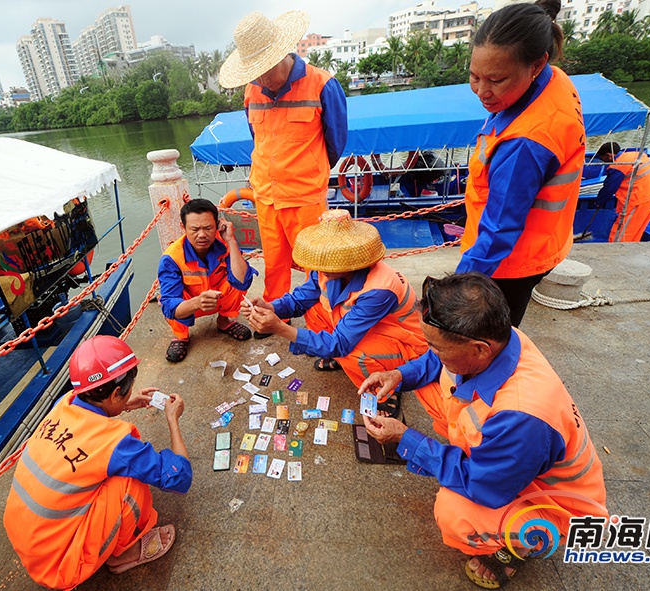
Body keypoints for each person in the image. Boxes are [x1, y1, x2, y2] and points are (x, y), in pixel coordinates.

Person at [358, 273, 607, 589]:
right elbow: (438, 365)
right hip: (510, 458)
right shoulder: (502, 338)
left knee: (454, 512)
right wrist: (399, 375)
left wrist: (406, 439)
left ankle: (523, 542)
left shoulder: (522, 416)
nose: (431, 353)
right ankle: (477, 454)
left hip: (554, 502)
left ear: (479, 349)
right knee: (430, 386)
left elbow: (483, 486)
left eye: (436, 347)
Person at [3, 336, 192, 590]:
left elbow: (91, 413)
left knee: (105, 471)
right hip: (60, 565)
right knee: (129, 481)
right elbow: (179, 477)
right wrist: (173, 420)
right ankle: (126, 553)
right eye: (123, 394)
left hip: (29, 539)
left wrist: (122, 405)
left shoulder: (64, 404)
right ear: (114, 394)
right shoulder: (115, 444)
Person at [218, 10, 348, 336]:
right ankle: (274, 318)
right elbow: (257, 139)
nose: (262, 80)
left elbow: (336, 142)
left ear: (282, 54)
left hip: (304, 196)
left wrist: (308, 172)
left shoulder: (323, 85)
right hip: (265, 195)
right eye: (255, 74)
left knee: (316, 267)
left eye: (265, 72)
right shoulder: (252, 91)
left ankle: (321, 330)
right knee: (274, 264)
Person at [456, 0, 585, 327]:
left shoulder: (526, 143)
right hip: (545, 241)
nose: (482, 92)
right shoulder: (554, 81)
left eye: (496, 80)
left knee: (488, 341)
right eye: (474, 76)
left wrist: (458, 285)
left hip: (510, 262)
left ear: (536, 64)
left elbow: (500, 229)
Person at [243, 210, 428, 416]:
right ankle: (339, 359)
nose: (320, 267)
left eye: (329, 259)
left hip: (409, 346)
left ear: (348, 259)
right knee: (313, 309)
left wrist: (280, 328)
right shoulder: (327, 268)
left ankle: (386, 390)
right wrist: (272, 307)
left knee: (350, 353)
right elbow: (299, 299)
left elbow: (340, 344)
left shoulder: (379, 289)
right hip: (372, 329)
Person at [157, 198, 256, 362]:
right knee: (171, 301)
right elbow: (169, 306)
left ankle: (224, 321)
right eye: (194, 229)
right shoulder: (171, 258)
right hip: (191, 304)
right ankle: (181, 336)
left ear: (217, 226)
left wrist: (231, 240)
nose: (202, 235)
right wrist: (197, 302)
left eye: (208, 228)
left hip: (218, 298)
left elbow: (242, 281)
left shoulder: (224, 243)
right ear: (183, 227)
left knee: (239, 279)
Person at [592, 141, 650, 242]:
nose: (605, 163)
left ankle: (613, 252)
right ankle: (629, 250)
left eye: (604, 160)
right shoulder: (635, 154)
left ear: (609, 155)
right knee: (636, 229)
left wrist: (598, 202)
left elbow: (609, 187)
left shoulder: (619, 164)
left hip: (639, 199)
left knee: (621, 230)